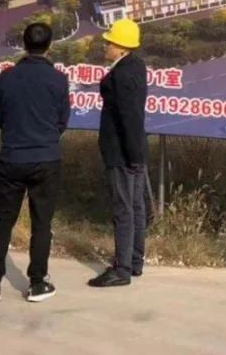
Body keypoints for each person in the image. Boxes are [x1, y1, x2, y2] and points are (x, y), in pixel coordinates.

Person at [0, 22, 70, 304]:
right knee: (42, 223)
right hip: (46, 158)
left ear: (24, 44)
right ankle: (37, 282)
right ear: (49, 46)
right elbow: (62, 121)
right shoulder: (58, 80)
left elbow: (1, 117)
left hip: (12, 157)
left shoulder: (7, 78)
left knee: (3, 219)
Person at [88, 18, 148, 289]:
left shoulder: (122, 75)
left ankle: (122, 269)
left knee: (124, 209)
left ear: (121, 47)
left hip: (123, 152)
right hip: (133, 150)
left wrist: (132, 156)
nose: (106, 46)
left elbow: (129, 117)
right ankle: (134, 261)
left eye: (110, 42)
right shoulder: (135, 66)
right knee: (135, 206)